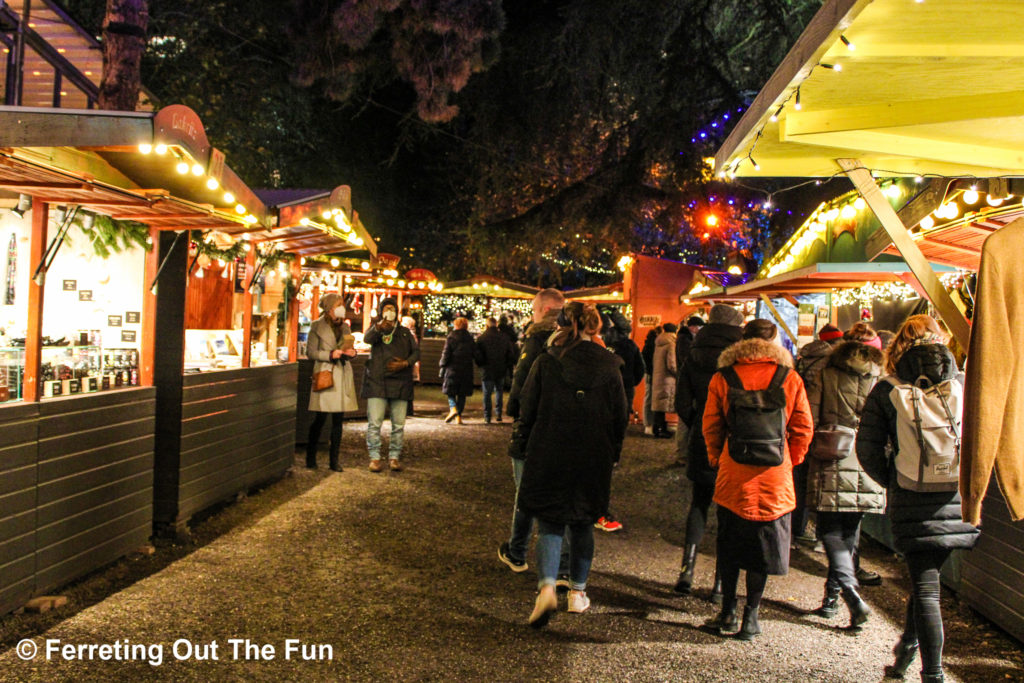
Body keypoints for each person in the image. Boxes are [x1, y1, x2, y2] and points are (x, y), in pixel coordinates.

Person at [856, 314, 979, 682]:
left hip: (911, 496)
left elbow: (867, 449)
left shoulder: (886, 388)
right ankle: (904, 654)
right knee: (927, 578)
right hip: (956, 497)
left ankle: (934, 674)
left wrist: (895, 481)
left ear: (897, 348)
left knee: (925, 588)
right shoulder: (963, 383)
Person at [513, 302, 628, 627]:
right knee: (583, 522)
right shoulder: (609, 365)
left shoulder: (547, 361)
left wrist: (523, 445)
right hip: (593, 453)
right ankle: (577, 593)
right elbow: (619, 416)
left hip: (549, 448)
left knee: (550, 522)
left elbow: (528, 407)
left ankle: (547, 587)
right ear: (596, 328)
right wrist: (613, 453)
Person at [702, 319, 813, 640]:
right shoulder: (789, 378)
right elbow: (803, 429)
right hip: (774, 479)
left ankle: (727, 613)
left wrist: (717, 459)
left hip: (733, 476)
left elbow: (711, 426)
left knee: (730, 544)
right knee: (762, 550)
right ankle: (751, 617)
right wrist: (790, 460)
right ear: (774, 342)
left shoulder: (724, 377)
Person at [805, 323, 885, 627]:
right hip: (867, 459)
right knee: (850, 533)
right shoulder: (881, 377)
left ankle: (846, 595)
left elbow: (810, 416)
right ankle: (832, 598)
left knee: (827, 531)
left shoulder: (826, 371)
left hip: (830, 455)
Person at [672, 303, 744, 599]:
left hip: (703, 437)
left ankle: (686, 570)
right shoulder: (740, 357)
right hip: (734, 439)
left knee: (699, 503)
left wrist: (701, 422)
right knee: (729, 512)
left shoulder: (694, 353)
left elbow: (680, 402)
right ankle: (718, 582)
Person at [498, 288, 565, 573]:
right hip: (561, 427)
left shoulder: (536, 339)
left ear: (542, 310)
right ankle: (563, 568)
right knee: (560, 496)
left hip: (533, 426)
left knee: (525, 492)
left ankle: (517, 551)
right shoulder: (571, 341)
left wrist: (514, 411)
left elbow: (521, 384)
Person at [792, 322, 845, 546]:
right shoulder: (830, 365)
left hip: (801, 422)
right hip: (823, 428)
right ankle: (822, 536)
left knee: (801, 481)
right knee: (821, 483)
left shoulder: (804, 358)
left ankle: (796, 529)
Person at [362, 297, 419, 472]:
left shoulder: (404, 332)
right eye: (386, 308)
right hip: (377, 382)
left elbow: (416, 352)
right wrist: (378, 327)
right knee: (375, 422)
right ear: (381, 311)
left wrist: (405, 363)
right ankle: (375, 457)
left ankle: (394, 456)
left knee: (398, 424)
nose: (390, 311)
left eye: (392, 308)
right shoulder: (376, 330)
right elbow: (367, 339)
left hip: (401, 382)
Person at [305, 293, 358, 471]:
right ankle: (310, 457)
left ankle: (334, 461)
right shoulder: (316, 326)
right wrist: (329, 355)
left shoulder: (344, 326)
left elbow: (348, 347)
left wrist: (352, 353)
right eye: (337, 305)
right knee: (320, 418)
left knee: (338, 420)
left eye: (342, 304)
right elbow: (310, 352)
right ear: (328, 308)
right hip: (326, 374)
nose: (341, 308)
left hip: (341, 373)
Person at [673, 316, 705, 465]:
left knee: (685, 417)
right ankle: (682, 454)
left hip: (685, 382)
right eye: (698, 327)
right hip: (687, 383)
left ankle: (683, 454)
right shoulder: (685, 342)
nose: (699, 330)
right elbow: (687, 361)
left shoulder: (682, 339)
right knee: (685, 420)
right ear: (693, 327)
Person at [475, 317, 517, 423]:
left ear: (487, 325)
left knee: (487, 393)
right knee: (499, 391)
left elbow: (477, 355)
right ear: (496, 324)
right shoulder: (504, 337)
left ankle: (487, 416)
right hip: (500, 369)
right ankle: (498, 414)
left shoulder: (482, 338)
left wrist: (481, 364)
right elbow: (510, 354)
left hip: (487, 369)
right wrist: (507, 365)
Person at [440, 317, 476, 424]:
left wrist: (442, 364)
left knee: (450, 392)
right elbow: (475, 353)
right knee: (462, 394)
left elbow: (446, 353)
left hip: (452, 368)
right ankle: (458, 417)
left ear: (456, 325)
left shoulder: (451, 337)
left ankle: (453, 408)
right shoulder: (470, 339)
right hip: (466, 369)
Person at [651, 322, 678, 438]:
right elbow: (671, 364)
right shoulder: (671, 344)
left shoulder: (658, 342)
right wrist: (678, 374)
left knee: (659, 404)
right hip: (668, 378)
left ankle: (656, 428)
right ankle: (662, 429)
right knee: (663, 403)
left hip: (658, 376)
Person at [641, 326, 661, 435]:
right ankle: (648, 423)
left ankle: (648, 424)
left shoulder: (648, 344)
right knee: (649, 399)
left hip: (649, 373)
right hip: (651, 374)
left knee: (649, 398)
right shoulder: (652, 346)